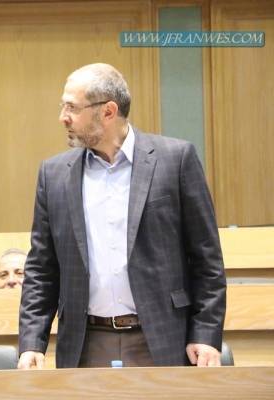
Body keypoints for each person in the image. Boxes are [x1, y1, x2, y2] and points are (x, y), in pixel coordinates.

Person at [18, 63, 226, 369]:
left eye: (72, 107)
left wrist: (206, 333)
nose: (63, 117)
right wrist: (32, 343)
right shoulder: (54, 174)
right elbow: (41, 267)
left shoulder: (175, 160)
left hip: (161, 338)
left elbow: (207, 259)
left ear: (108, 111)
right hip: (85, 344)